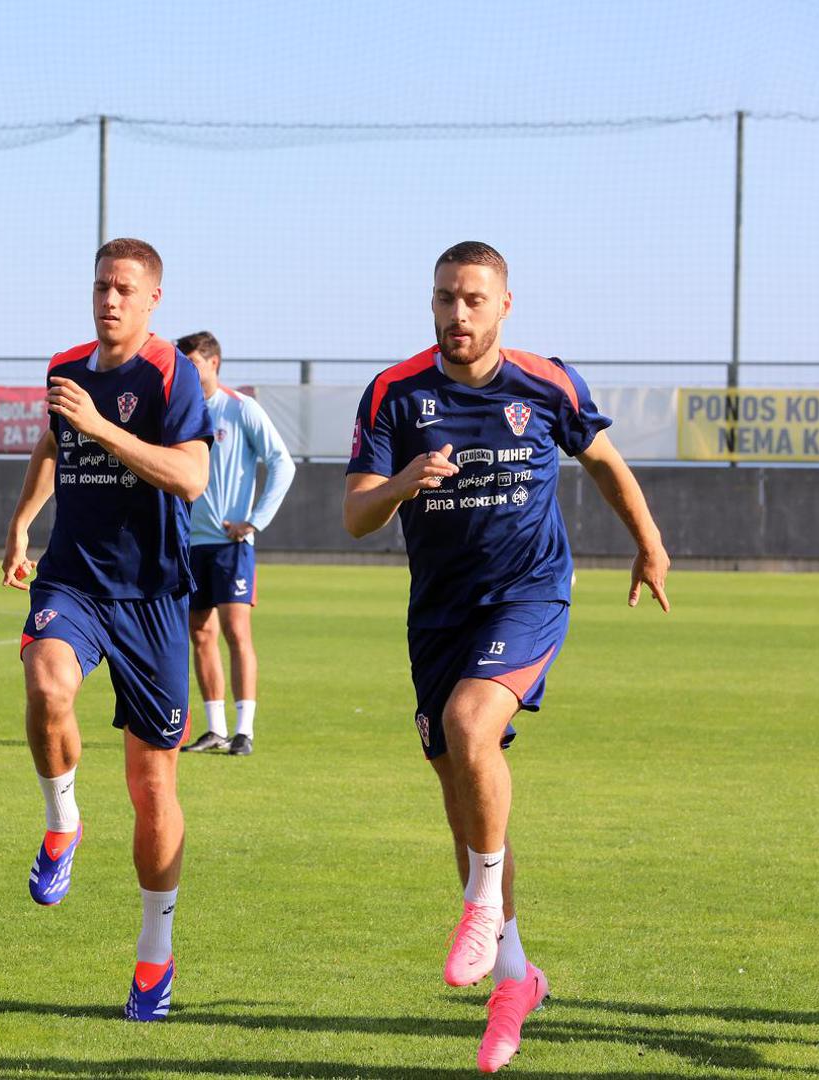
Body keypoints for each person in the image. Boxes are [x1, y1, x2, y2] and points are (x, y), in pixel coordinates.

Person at [342, 241, 669, 1072]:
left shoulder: (546, 384)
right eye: (446, 298)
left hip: (528, 596)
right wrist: (403, 481)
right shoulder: (394, 393)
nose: (458, 314)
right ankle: (516, 981)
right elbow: (354, 517)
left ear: (505, 305)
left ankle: (483, 903)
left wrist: (649, 545)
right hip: (439, 617)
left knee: (469, 722)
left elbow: (603, 461)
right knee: (461, 782)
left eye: (474, 299)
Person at [1, 237, 212, 1021]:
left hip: (154, 599)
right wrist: (24, 523)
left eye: (124, 288)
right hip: (74, 581)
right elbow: (54, 443)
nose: (109, 299)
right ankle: (62, 824)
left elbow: (190, 476)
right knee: (47, 681)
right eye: (100, 286)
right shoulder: (65, 367)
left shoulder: (170, 374)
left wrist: (104, 427)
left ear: (153, 298)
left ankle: (155, 957)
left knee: (153, 786)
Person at [175, 331, 295, 757]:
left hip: (230, 546)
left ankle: (245, 730)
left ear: (214, 363)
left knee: (236, 632)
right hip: (189, 545)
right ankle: (216, 729)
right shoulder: (178, 412)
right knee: (200, 635)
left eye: (192, 362)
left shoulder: (240, 409)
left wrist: (255, 521)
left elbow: (282, 463)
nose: (186, 370)